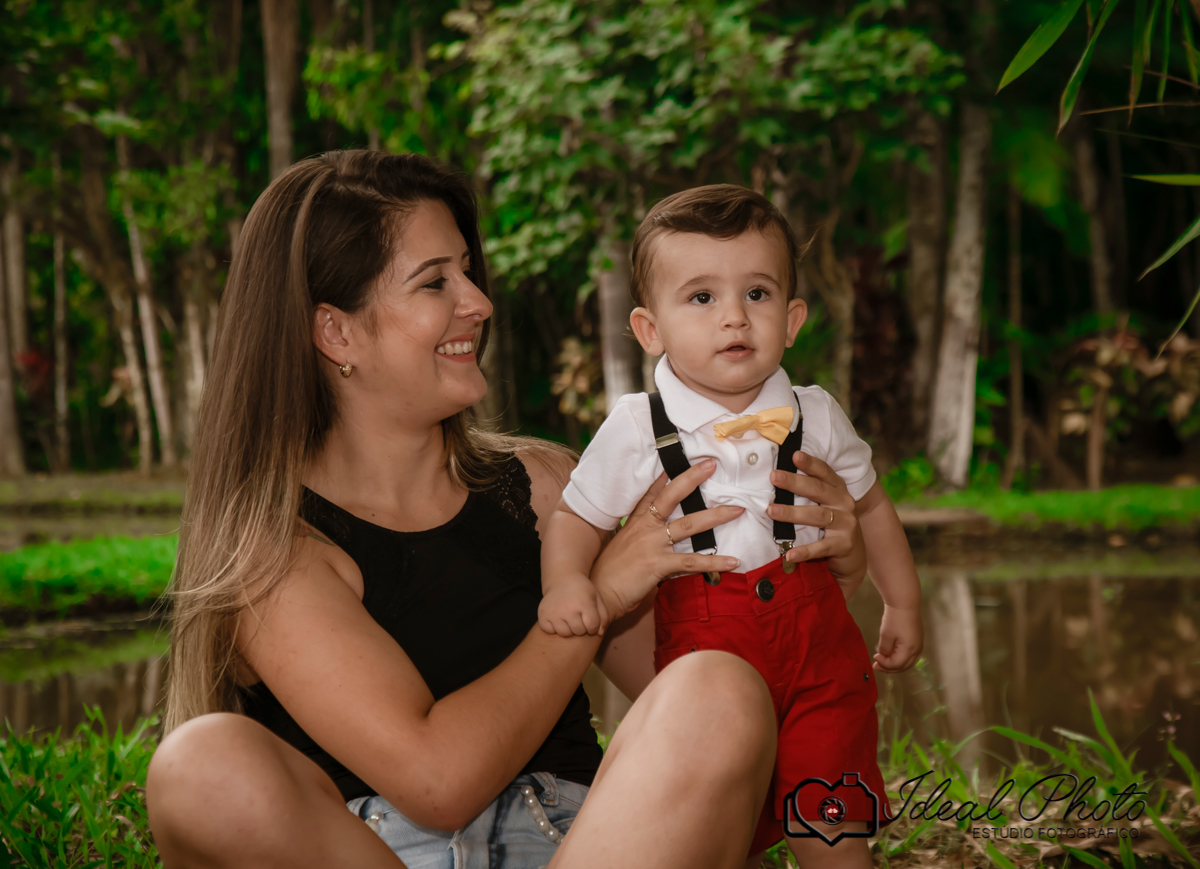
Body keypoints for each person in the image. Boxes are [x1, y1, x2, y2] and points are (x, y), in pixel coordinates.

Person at [144, 151, 871, 869]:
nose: (479, 301)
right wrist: (593, 598)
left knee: (716, 686)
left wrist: (818, 562)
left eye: (467, 269)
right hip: (380, 855)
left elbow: (725, 714)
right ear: (336, 332)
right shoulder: (272, 551)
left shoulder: (550, 490)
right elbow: (437, 782)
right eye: (436, 282)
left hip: (581, 849)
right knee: (200, 763)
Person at [537, 185, 924, 868]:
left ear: (794, 317)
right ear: (649, 330)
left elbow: (871, 505)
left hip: (819, 655)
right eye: (702, 298)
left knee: (832, 829)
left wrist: (903, 599)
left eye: (758, 293)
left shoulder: (817, 412)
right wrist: (570, 582)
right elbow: (577, 515)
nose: (734, 319)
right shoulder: (636, 426)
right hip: (705, 646)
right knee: (718, 816)